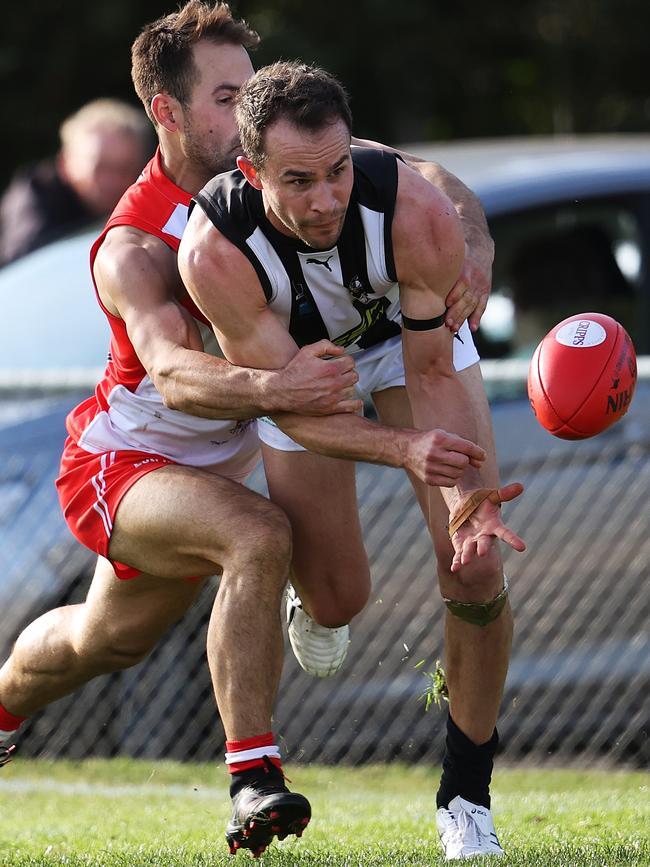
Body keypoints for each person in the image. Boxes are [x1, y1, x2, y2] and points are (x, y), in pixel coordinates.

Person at [0, 2, 494, 859]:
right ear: (168, 112)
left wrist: (475, 245)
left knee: (112, 631)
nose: (251, 104)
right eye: (228, 96)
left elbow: (424, 178)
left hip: (249, 439)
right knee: (207, 566)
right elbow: (175, 378)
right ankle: (250, 778)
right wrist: (279, 384)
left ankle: (7, 706)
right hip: (139, 456)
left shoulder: (290, 164)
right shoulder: (138, 243)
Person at [178, 61, 526, 861]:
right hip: (303, 377)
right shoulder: (215, 252)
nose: (327, 199)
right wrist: (401, 447)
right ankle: (316, 603)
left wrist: (471, 496)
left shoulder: (410, 207)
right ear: (250, 170)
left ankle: (466, 794)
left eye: (337, 172)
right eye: (299, 181)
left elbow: (434, 370)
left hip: (412, 351)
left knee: (472, 565)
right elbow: (294, 402)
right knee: (338, 599)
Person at [0, 98, 153, 266]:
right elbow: (27, 269)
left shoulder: (151, 197)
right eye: (100, 168)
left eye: (124, 169)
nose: (113, 182)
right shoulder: (33, 204)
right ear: (65, 163)